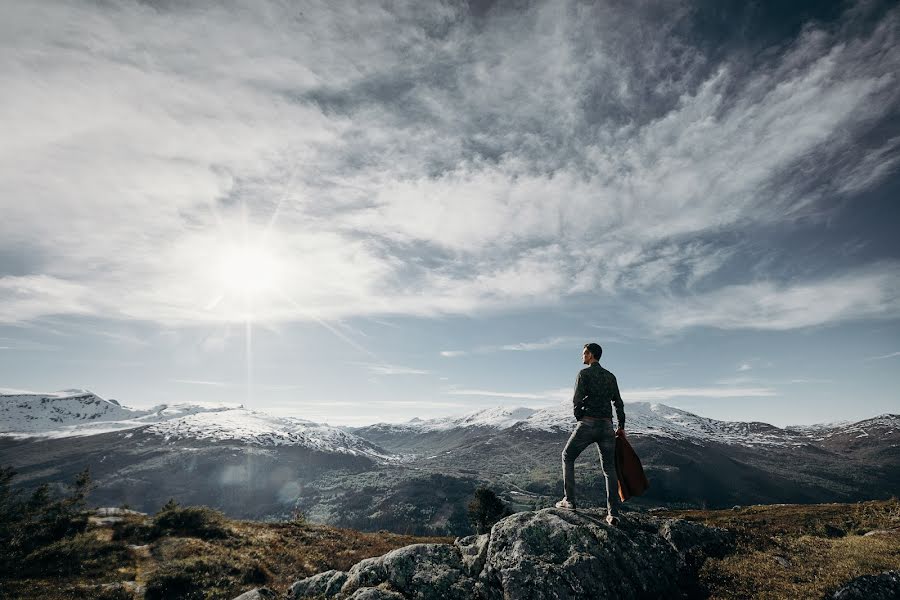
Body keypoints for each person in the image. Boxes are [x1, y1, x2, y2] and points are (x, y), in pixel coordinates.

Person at [556, 342, 625, 525]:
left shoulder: (584, 374)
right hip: (607, 426)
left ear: (592, 355)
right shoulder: (610, 377)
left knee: (567, 456)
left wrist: (580, 416)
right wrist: (621, 426)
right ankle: (613, 514)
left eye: (585, 353)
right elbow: (618, 402)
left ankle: (569, 501)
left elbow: (577, 399)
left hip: (588, 423)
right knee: (609, 469)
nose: (582, 356)